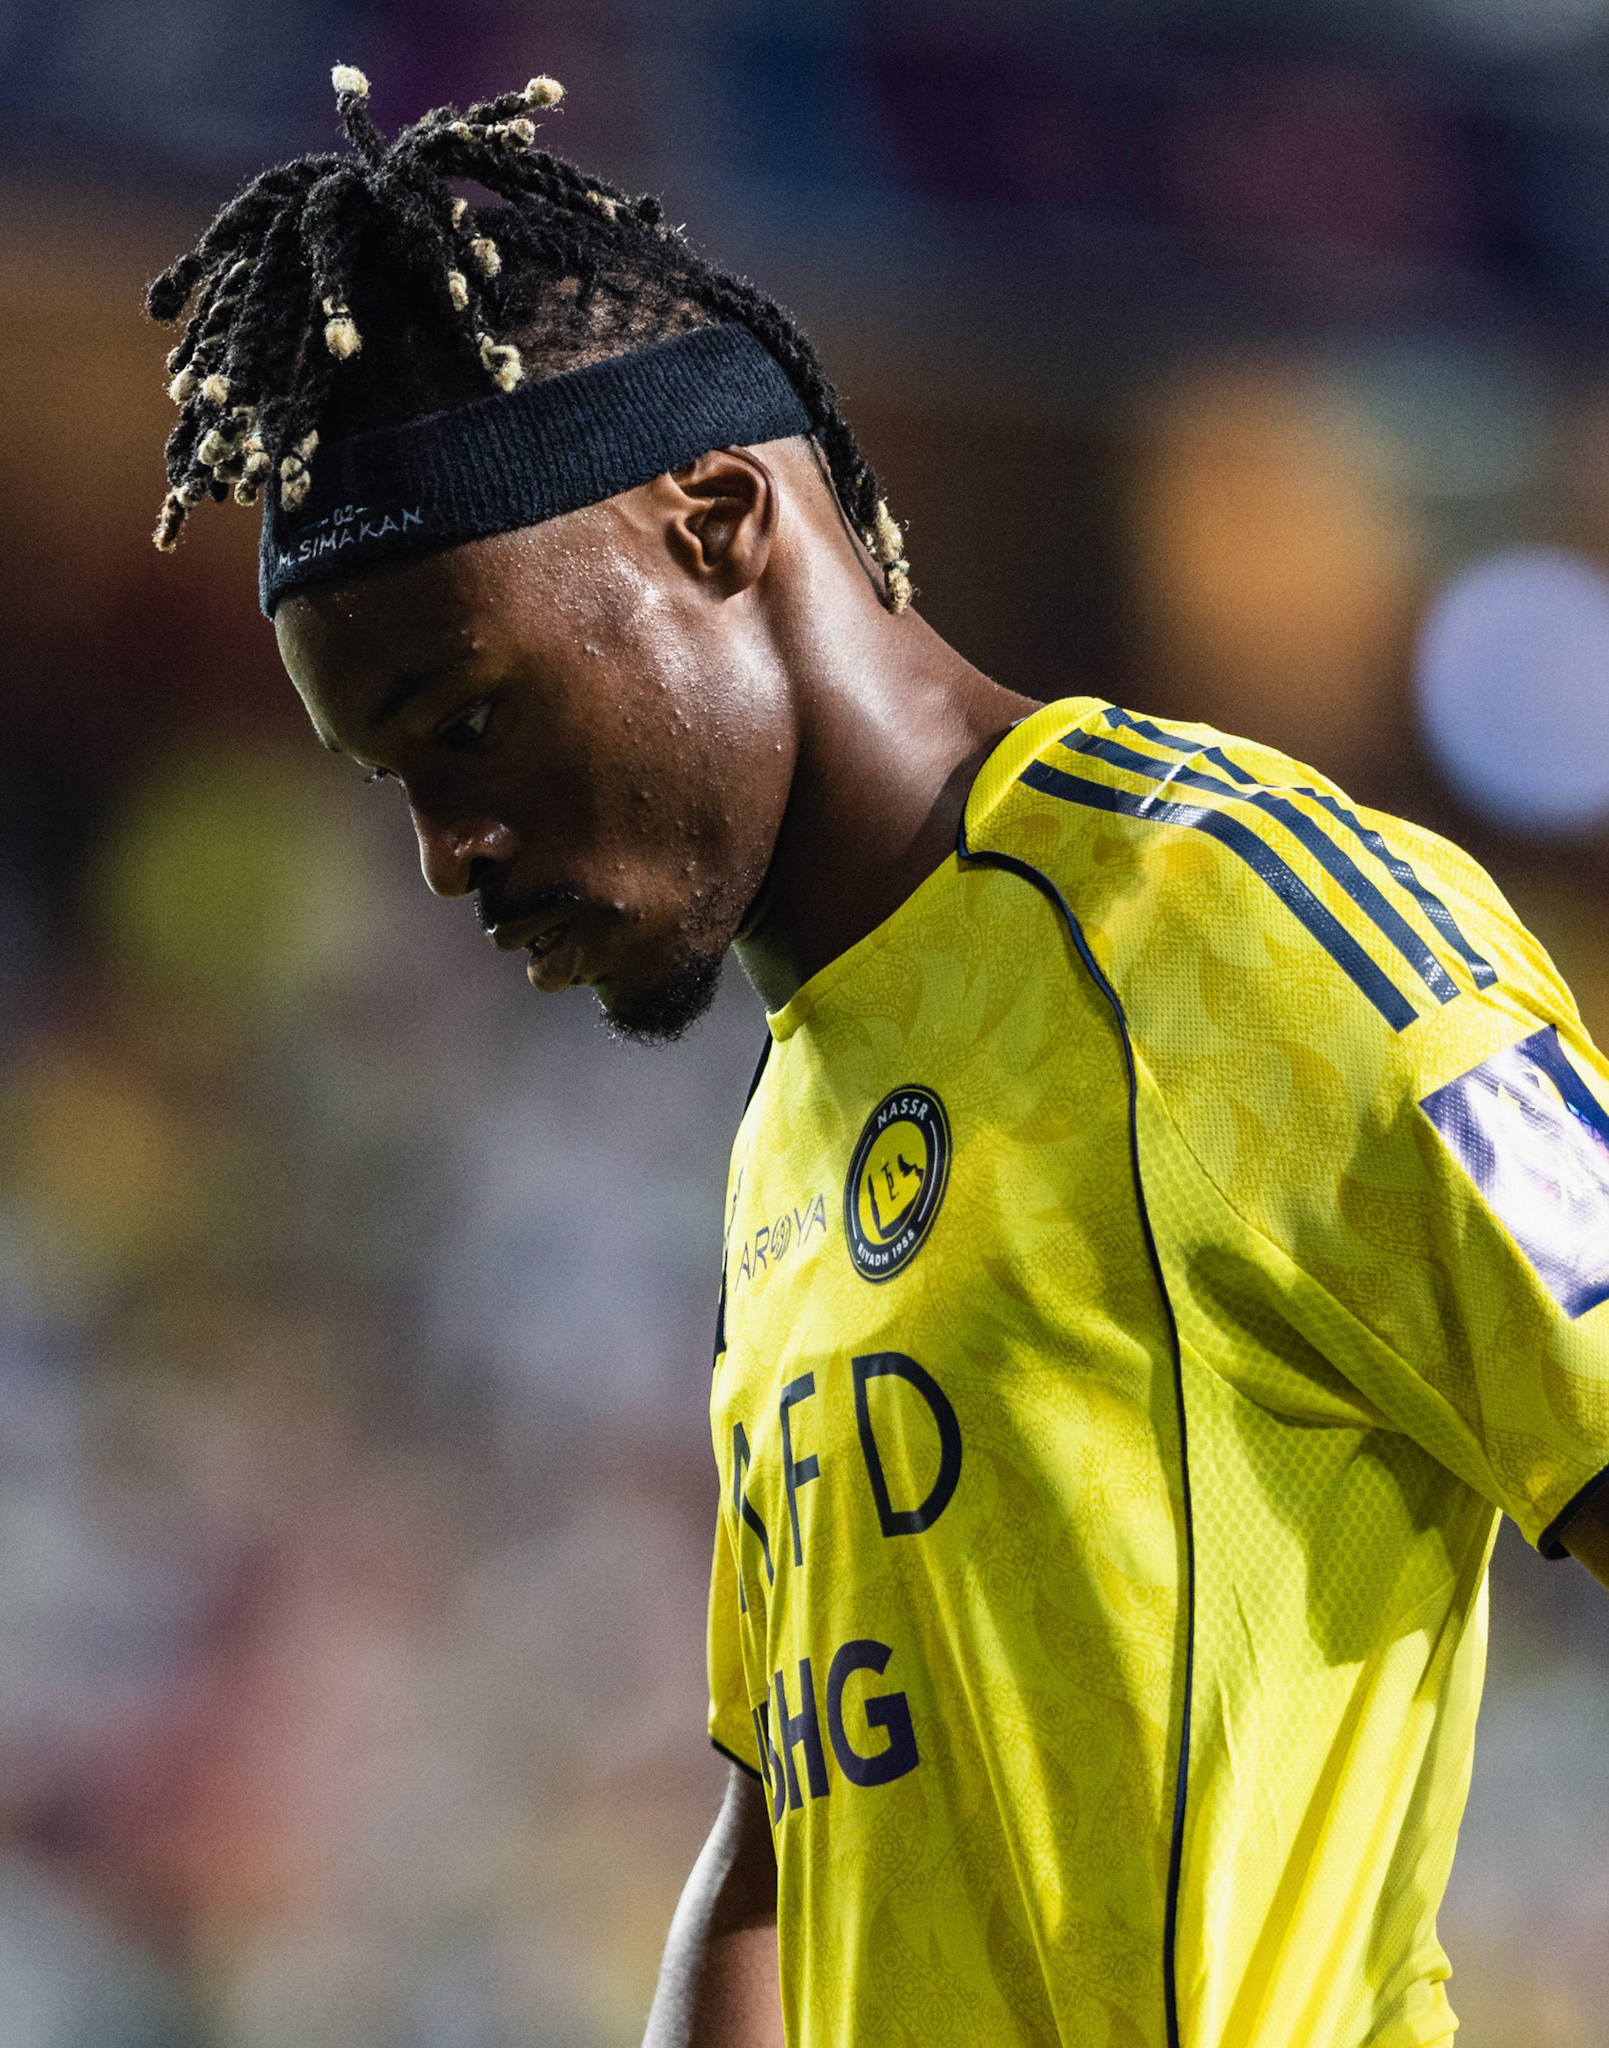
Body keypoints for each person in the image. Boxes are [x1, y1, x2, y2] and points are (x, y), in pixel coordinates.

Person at [146, 65, 1609, 2048]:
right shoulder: (792, 1126)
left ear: (722, 521)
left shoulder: (1237, 924)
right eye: (395, 780)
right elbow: (787, 1832)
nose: (444, 851)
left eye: (469, 719)